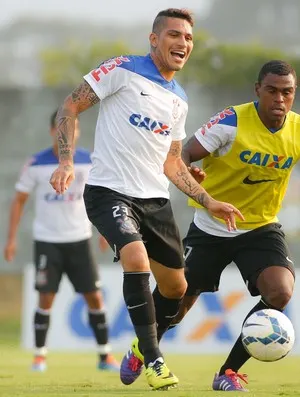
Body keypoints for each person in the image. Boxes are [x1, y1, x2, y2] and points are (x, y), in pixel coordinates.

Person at [49, 8, 243, 390]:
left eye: (188, 38)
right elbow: (70, 106)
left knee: (176, 288)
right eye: (174, 35)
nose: (182, 43)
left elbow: (172, 163)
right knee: (135, 257)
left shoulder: (179, 100)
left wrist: (208, 201)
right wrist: (67, 160)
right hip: (109, 191)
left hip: (155, 201)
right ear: (154, 39)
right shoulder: (122, 69)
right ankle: (155, 360)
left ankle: (139, 349)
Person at [168, 60, 298, 391]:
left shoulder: (297, 130)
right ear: (258, 90)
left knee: (280, 291)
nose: (280, 99)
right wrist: (194, 179)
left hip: (260, 227)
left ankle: (227, 372)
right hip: (212, 225)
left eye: (287, 92)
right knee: (176, 308)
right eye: (272, 91)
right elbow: (183, 155)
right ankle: (145, 348)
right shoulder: (231, 121)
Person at [4, 110, 119, 373]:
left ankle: (105, 356)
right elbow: (19, 200)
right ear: (52, 131)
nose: (67, 133)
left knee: (94, 297)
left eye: (73, 128)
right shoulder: (36, 163)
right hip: (47, 240)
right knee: (46, 297)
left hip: (79, 239)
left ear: (77, 132)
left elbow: (101, 198)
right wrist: (11, 239)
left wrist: (105, 231)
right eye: (62, 127)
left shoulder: (89, 161)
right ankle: (39, 356)